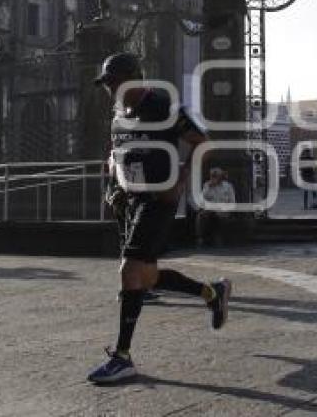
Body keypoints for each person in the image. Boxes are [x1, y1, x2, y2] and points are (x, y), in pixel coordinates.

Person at [88, 52, 232, 384]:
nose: (110, 88)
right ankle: (213, 292)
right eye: (107, 84)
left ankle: (123, 358)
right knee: (147, 276)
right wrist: (113, 187)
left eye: (114, 82)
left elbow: (201, 143)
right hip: (133, 199)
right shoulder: (118, 114)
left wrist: (180, 181)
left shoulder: (162, 105)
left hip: (159, 199)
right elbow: (115, 154)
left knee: (129, 270)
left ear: (134, 78)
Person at [196, 167, 236, 247]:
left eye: (216, 176)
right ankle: (200, 239)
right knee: (201, 216)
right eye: (212, 176)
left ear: (221, 177)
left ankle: (218, 239)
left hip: (223, 211)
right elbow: (201, 200)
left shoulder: (228, 186)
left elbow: (232, 203)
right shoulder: (207, 185)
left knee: (220, 218)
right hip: (210, 210)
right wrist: (209, 187)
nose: (214, 178)